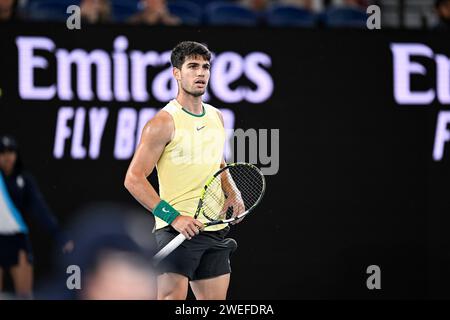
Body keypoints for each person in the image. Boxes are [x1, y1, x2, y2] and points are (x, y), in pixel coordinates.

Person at [125, 41, 239, 300]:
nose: (201, 73)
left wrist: (232, 193)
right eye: (193, 66)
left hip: (214, 228)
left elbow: (217, 162)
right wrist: (174, 217)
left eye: (206, 67)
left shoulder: (216, 116)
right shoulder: (162, 123)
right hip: (177, 231)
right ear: (176, 73)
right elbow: (133, 179)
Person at [0, 135, 73, 299]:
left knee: (25, 294)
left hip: (17, 241)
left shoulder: (24, 180)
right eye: (2, 152)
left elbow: (40, 210)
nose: (7, 157)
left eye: (10, 152)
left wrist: (59, 236)